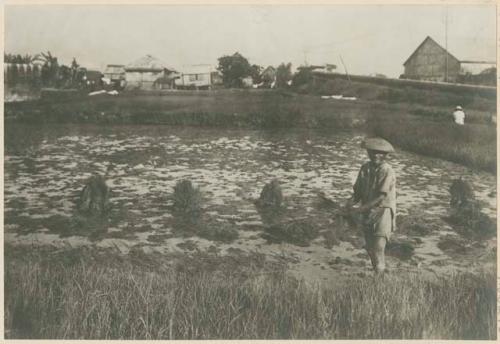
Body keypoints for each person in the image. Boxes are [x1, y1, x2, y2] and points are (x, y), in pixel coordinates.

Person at [343, 137, 396, 274]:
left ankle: (379, 277)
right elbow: (358, 193)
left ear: (385, 155)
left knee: (378, 246)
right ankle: (378, 271)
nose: (376, 156)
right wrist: (348, 205)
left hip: (382, 211)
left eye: (380, 153)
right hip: (367, 211)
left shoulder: (387, 170)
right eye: (373, 152)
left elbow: (381, 197)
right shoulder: (365, 168)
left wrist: (359, 210)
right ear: (368, 153)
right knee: (369, 247)